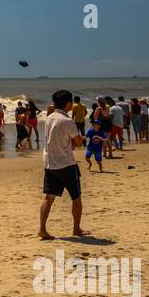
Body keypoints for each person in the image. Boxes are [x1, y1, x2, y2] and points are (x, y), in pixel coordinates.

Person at [39, 90, 88, 240]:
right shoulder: (67, 121)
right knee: (76, 197)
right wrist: (81, 138)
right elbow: (77, 142)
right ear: (68, 104)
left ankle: (42, 229)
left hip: (50, 163)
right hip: (66, 164)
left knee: (49, 198)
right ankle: (76, 229)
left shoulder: (49, 118)